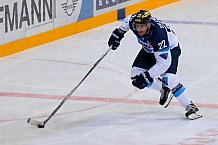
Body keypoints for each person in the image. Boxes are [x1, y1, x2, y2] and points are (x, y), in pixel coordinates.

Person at [108, 10, 202, 120]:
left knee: (169, 79)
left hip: (170, 50)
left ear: (149, 24)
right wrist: (119, 32)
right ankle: (163, 89)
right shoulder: (133, 22)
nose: (139, 30)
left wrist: (148, 76)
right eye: (136, 26)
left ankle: (190, 106)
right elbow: (129, 20)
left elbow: (163, 64)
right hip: (149, 49)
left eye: (142, 26)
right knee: (136, 75)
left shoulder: (159, 36)